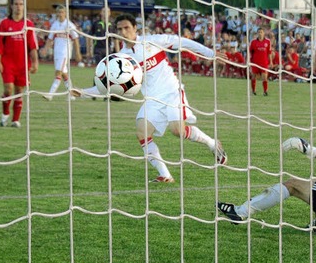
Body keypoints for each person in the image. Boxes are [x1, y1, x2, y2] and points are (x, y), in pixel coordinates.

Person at [72, 13, 227, 183]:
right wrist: (83, 92)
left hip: (171, 92)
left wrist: (210, 53)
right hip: (152, 99)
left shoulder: (153, 41)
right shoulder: (122, 58)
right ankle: (165, 175)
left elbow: (182, 42)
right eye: (119, 29)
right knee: (141, 131)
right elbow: (108, 86)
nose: (123, 32)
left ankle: (212, 143)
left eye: (127, 28)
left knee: (178, 131)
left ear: (135, 28)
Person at [0, 0, 39, 128]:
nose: (18, 7)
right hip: (7, 62)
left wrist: (35, 63)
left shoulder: (29, 25)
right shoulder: (4, 23)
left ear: (24, 7)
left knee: (19, 90)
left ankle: (15, 120)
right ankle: (5, 114)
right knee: (8, 89)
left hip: (23, 64)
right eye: (16, 4)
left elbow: (33, 46)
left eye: (21, 4)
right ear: (11, 6)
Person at [43, 6, 82, 101]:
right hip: (57, 52)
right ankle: (72, 94)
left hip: (65, 53)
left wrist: (78, 53)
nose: (60, 14)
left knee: (58, 73)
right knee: (64, 74)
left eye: (62, 12)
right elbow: (50, 38)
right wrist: (45, 49)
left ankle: (50, 94)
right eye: (58, 12)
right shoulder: (55, 25)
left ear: (65, 13)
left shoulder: (70, 25)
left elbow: (76, 39)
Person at [248, 27, 272, 95]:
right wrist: (250, 61)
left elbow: (269, 52)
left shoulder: (268, 42)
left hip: (264, 62)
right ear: (257, 33)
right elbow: (250, 52)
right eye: (259, 32)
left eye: (261, 32)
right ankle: (253, 91)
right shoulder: (253, 42)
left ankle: (265, 91)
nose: (260, 34)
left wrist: (271, 62)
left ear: (264, 33)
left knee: (264, 77)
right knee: (253, 76)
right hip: (255, 62)